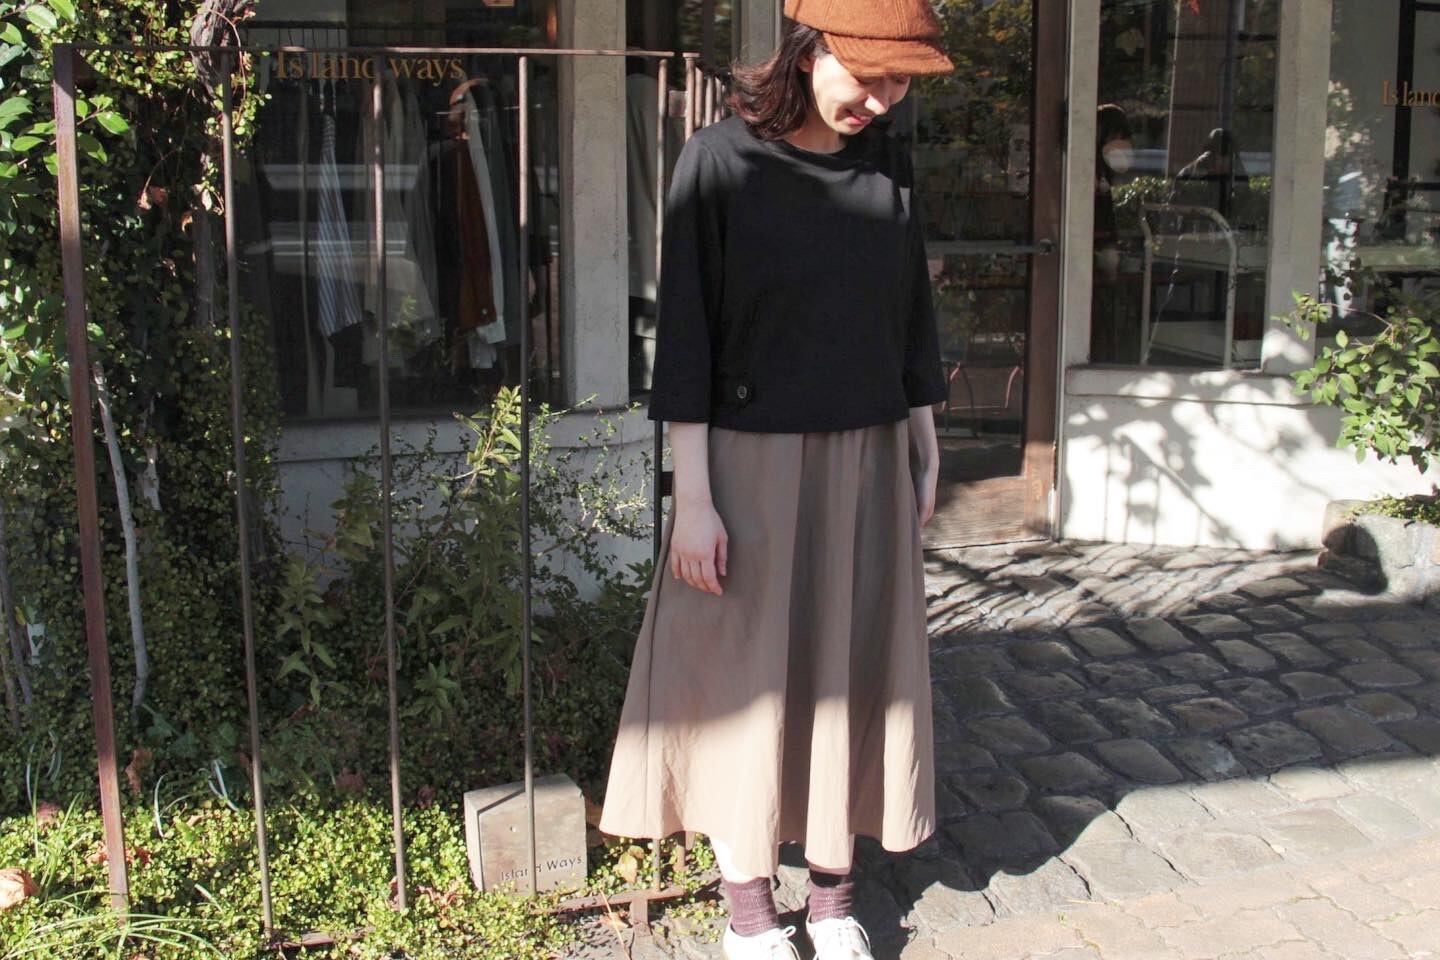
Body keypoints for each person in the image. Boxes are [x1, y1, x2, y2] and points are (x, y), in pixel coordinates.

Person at [598, 2, 954, 958]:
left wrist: (925, 440)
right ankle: (749, 915)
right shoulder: (719, 162)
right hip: (750, 461)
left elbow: (909, 312)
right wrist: (694, 497)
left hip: (870, 454)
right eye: (869, 75)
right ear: (809, 51)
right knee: (741, 682)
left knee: (856, 672)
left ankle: (834, 903)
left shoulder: (887, 162)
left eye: (901, 80)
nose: (883, 99)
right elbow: (687, 340)